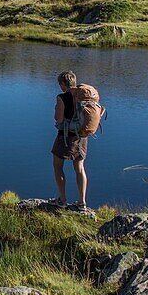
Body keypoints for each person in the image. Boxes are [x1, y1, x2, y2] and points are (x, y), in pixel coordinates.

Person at [51, 70, 88, 209]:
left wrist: (56, 110)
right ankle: (81, 202)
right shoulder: (82, 96)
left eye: (60, 84)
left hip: (66, 136)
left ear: (62, 84)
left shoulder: (62, 97)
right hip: (82, 136)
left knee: (58, 167)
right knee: (79, 168)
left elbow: (59, 119)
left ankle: (62, 199)